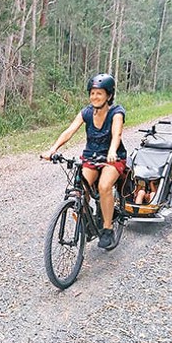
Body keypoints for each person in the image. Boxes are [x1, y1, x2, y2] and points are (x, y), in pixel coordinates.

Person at [42, 73, 127, 249]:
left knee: (104, 186)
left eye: (99, 93)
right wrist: (53, 149)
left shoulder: (116, 113)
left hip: (112, 158)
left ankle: (107, 228)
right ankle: (87, 221)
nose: (95, 97)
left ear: (109, 95)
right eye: (92, 93)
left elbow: (116, 134)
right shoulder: (86, 113)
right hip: (91, 156)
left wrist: (112, 150)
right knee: (79, 190)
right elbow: (69, 131)